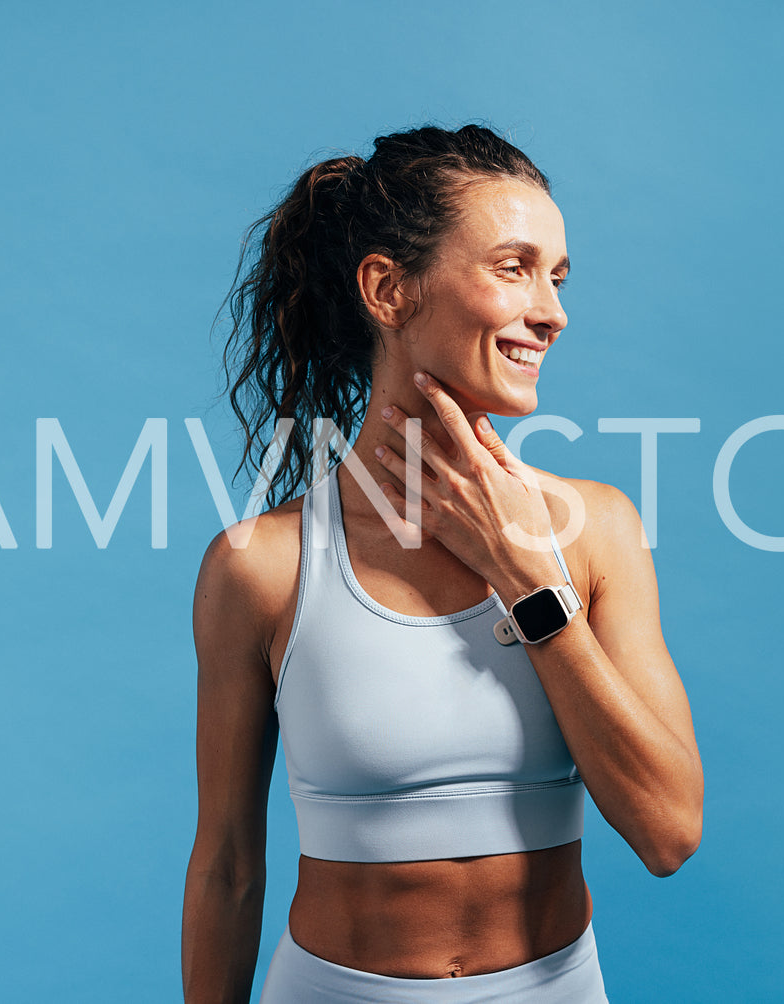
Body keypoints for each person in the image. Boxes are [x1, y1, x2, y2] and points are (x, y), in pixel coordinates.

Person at [181, 124, 703, 1003]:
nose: (552, 310)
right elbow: (228, 866)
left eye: (558, 276)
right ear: (387, 289)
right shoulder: (260, 568)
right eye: (513, 267)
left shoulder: (596, 532)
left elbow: (667, 831)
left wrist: (529, 580)